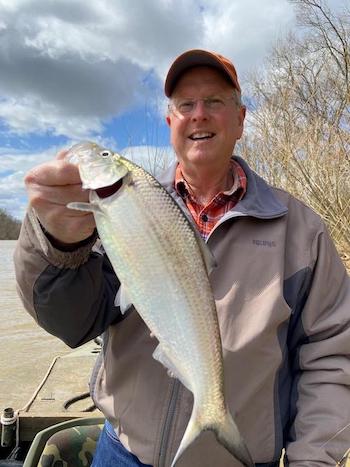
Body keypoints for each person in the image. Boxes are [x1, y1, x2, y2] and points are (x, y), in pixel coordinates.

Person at [14, 49, 350, 467]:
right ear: (170, 122)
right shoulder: (115, 215)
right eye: (185, 105)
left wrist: (314, 459)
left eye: (214, 102)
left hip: (243, 460)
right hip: (123, 453)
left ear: (241, 119)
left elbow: (332, 357)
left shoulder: (302, 232)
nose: (199, 115)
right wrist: (58, 243)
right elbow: (72, 323)